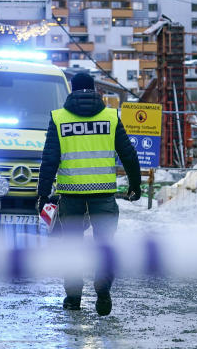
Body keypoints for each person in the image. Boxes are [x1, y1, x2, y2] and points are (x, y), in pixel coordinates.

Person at [36, 72, 141, 316]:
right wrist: (135, 185)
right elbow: (128, 153)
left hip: (70, 196)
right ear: (95, 90)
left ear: (71, 90)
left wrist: (42, 194)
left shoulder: (59, 118)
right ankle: (103, 288)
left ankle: (73, 298)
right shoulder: (109, 117)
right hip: (103, 195)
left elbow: (49, 160)